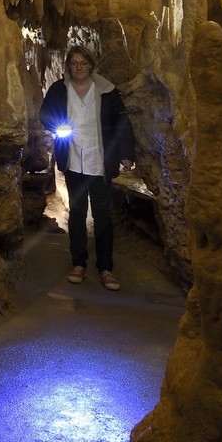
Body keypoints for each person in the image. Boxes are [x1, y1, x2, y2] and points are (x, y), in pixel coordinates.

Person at [38, 44, 136, 291]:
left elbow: (121, 123)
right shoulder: (60, 90)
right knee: (78, 213)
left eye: (83, 63)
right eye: (74, 63)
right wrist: (55, 127)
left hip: (100, 160)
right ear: (68, 66)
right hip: (73, 160)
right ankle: (78, 263)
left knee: (103, 215)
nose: (79, 67)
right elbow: (44, 114)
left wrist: (126, 154)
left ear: (91, 65)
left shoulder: (106, 91)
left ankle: (105, 268)